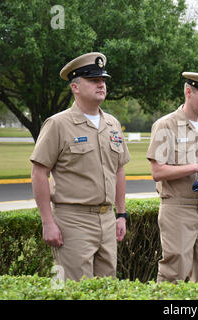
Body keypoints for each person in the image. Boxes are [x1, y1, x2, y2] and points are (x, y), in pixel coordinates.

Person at [30, 52, 130, 281]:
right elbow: (39, 173)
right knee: (75, 288)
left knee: (106, 288)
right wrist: (47, 222)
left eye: (103, 80)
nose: (101, 85)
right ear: (75, 87)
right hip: (73, 221)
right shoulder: (58, 124)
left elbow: (119, 170)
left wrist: (121, 214)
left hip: (107, 219)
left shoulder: (112, 124)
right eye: (94, 80)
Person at [146, 71, 198, 283]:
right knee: (175, 270)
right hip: (177, 207)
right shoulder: (166, 125)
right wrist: (196, 167)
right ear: (188, 92)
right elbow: (157, 172)